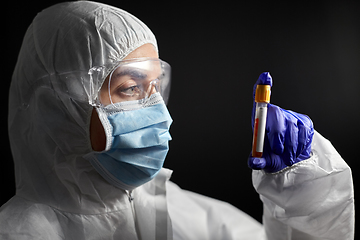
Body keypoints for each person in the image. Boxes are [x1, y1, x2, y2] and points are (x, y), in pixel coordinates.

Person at [0, 1, 354, 239]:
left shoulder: (173, 211)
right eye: (129, 88)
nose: (159, 114)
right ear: (56, 109)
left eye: (155, 87)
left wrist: (305, 194)